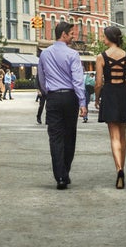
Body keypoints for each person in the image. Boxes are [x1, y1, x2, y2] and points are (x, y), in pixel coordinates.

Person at [37, 21, 87, 189]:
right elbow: (77, 80)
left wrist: (47, 93)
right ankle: (65, 171)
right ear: (63, 35)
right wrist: (82, 102)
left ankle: (60, 176)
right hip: (70, 97)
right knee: (69, 136)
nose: (74, 36)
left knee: (55, 137)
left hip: (53, 99)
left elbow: (41, 79)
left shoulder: (44, 54)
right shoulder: (73, 55)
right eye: (72, 33)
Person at [94, 25, 126, 190]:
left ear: (109, 38)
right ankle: (122, 167)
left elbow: (98, 83)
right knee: (122, 136)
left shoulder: (101, 57)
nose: (103, 39)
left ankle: (119, 170)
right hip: (124, 94)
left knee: (114, 137)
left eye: (104, 36)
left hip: (109, 94)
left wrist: (97, 98)